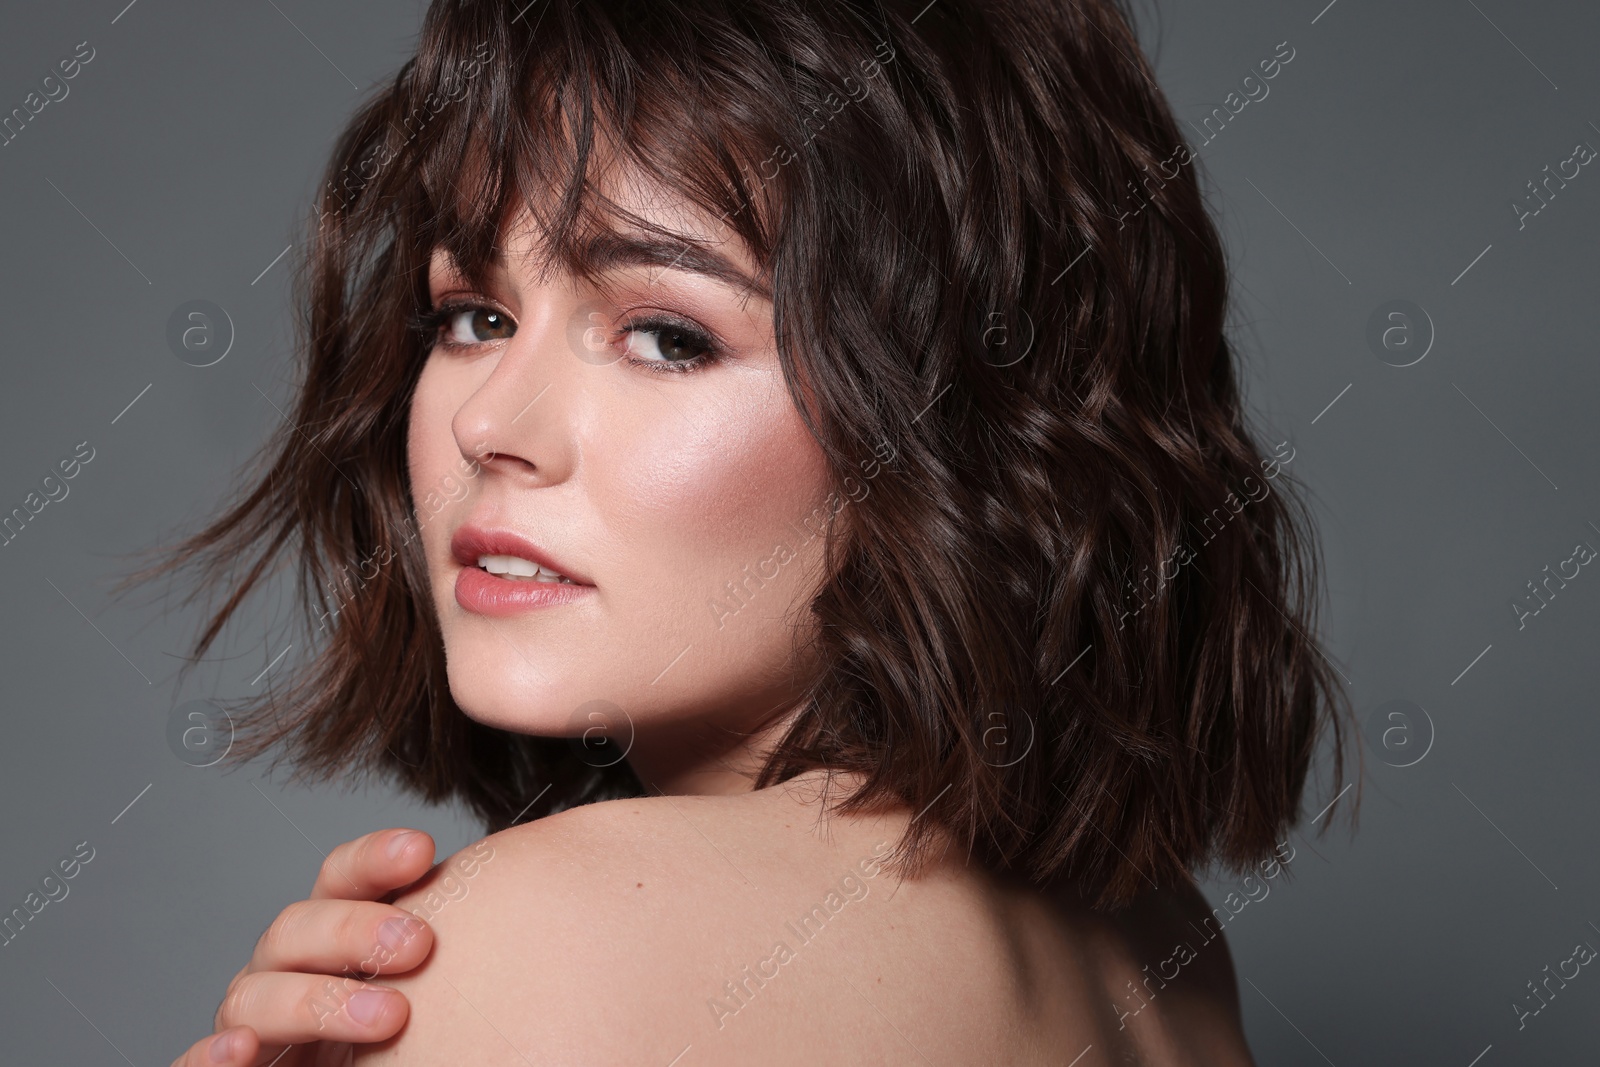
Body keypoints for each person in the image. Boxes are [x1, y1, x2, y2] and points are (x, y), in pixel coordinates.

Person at [152, 0, 1353, 1063]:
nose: (488, 423)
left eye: (667, 336)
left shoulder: (551, 935)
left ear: (952, 421)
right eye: (473, 314)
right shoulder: (1158, 943)